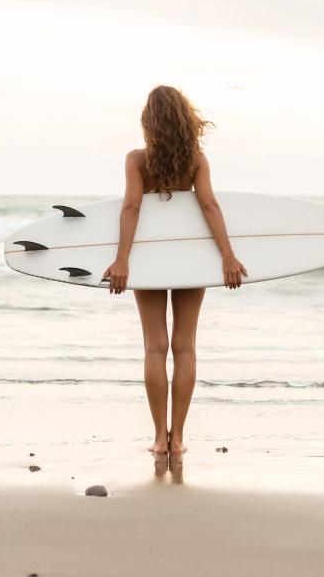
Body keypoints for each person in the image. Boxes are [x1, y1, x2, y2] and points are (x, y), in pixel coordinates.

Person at [103, 85, 247, 456]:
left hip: (150, 260)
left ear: (149, 122)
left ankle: (158, 439)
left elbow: (132, 208)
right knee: (185, 347)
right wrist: (228, 257)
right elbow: (209, 206)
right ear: (184, 119)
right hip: (190, 260)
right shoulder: (195, 160)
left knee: (155, 347)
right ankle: (178, 438)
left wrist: (122, 260)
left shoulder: (137, 160)